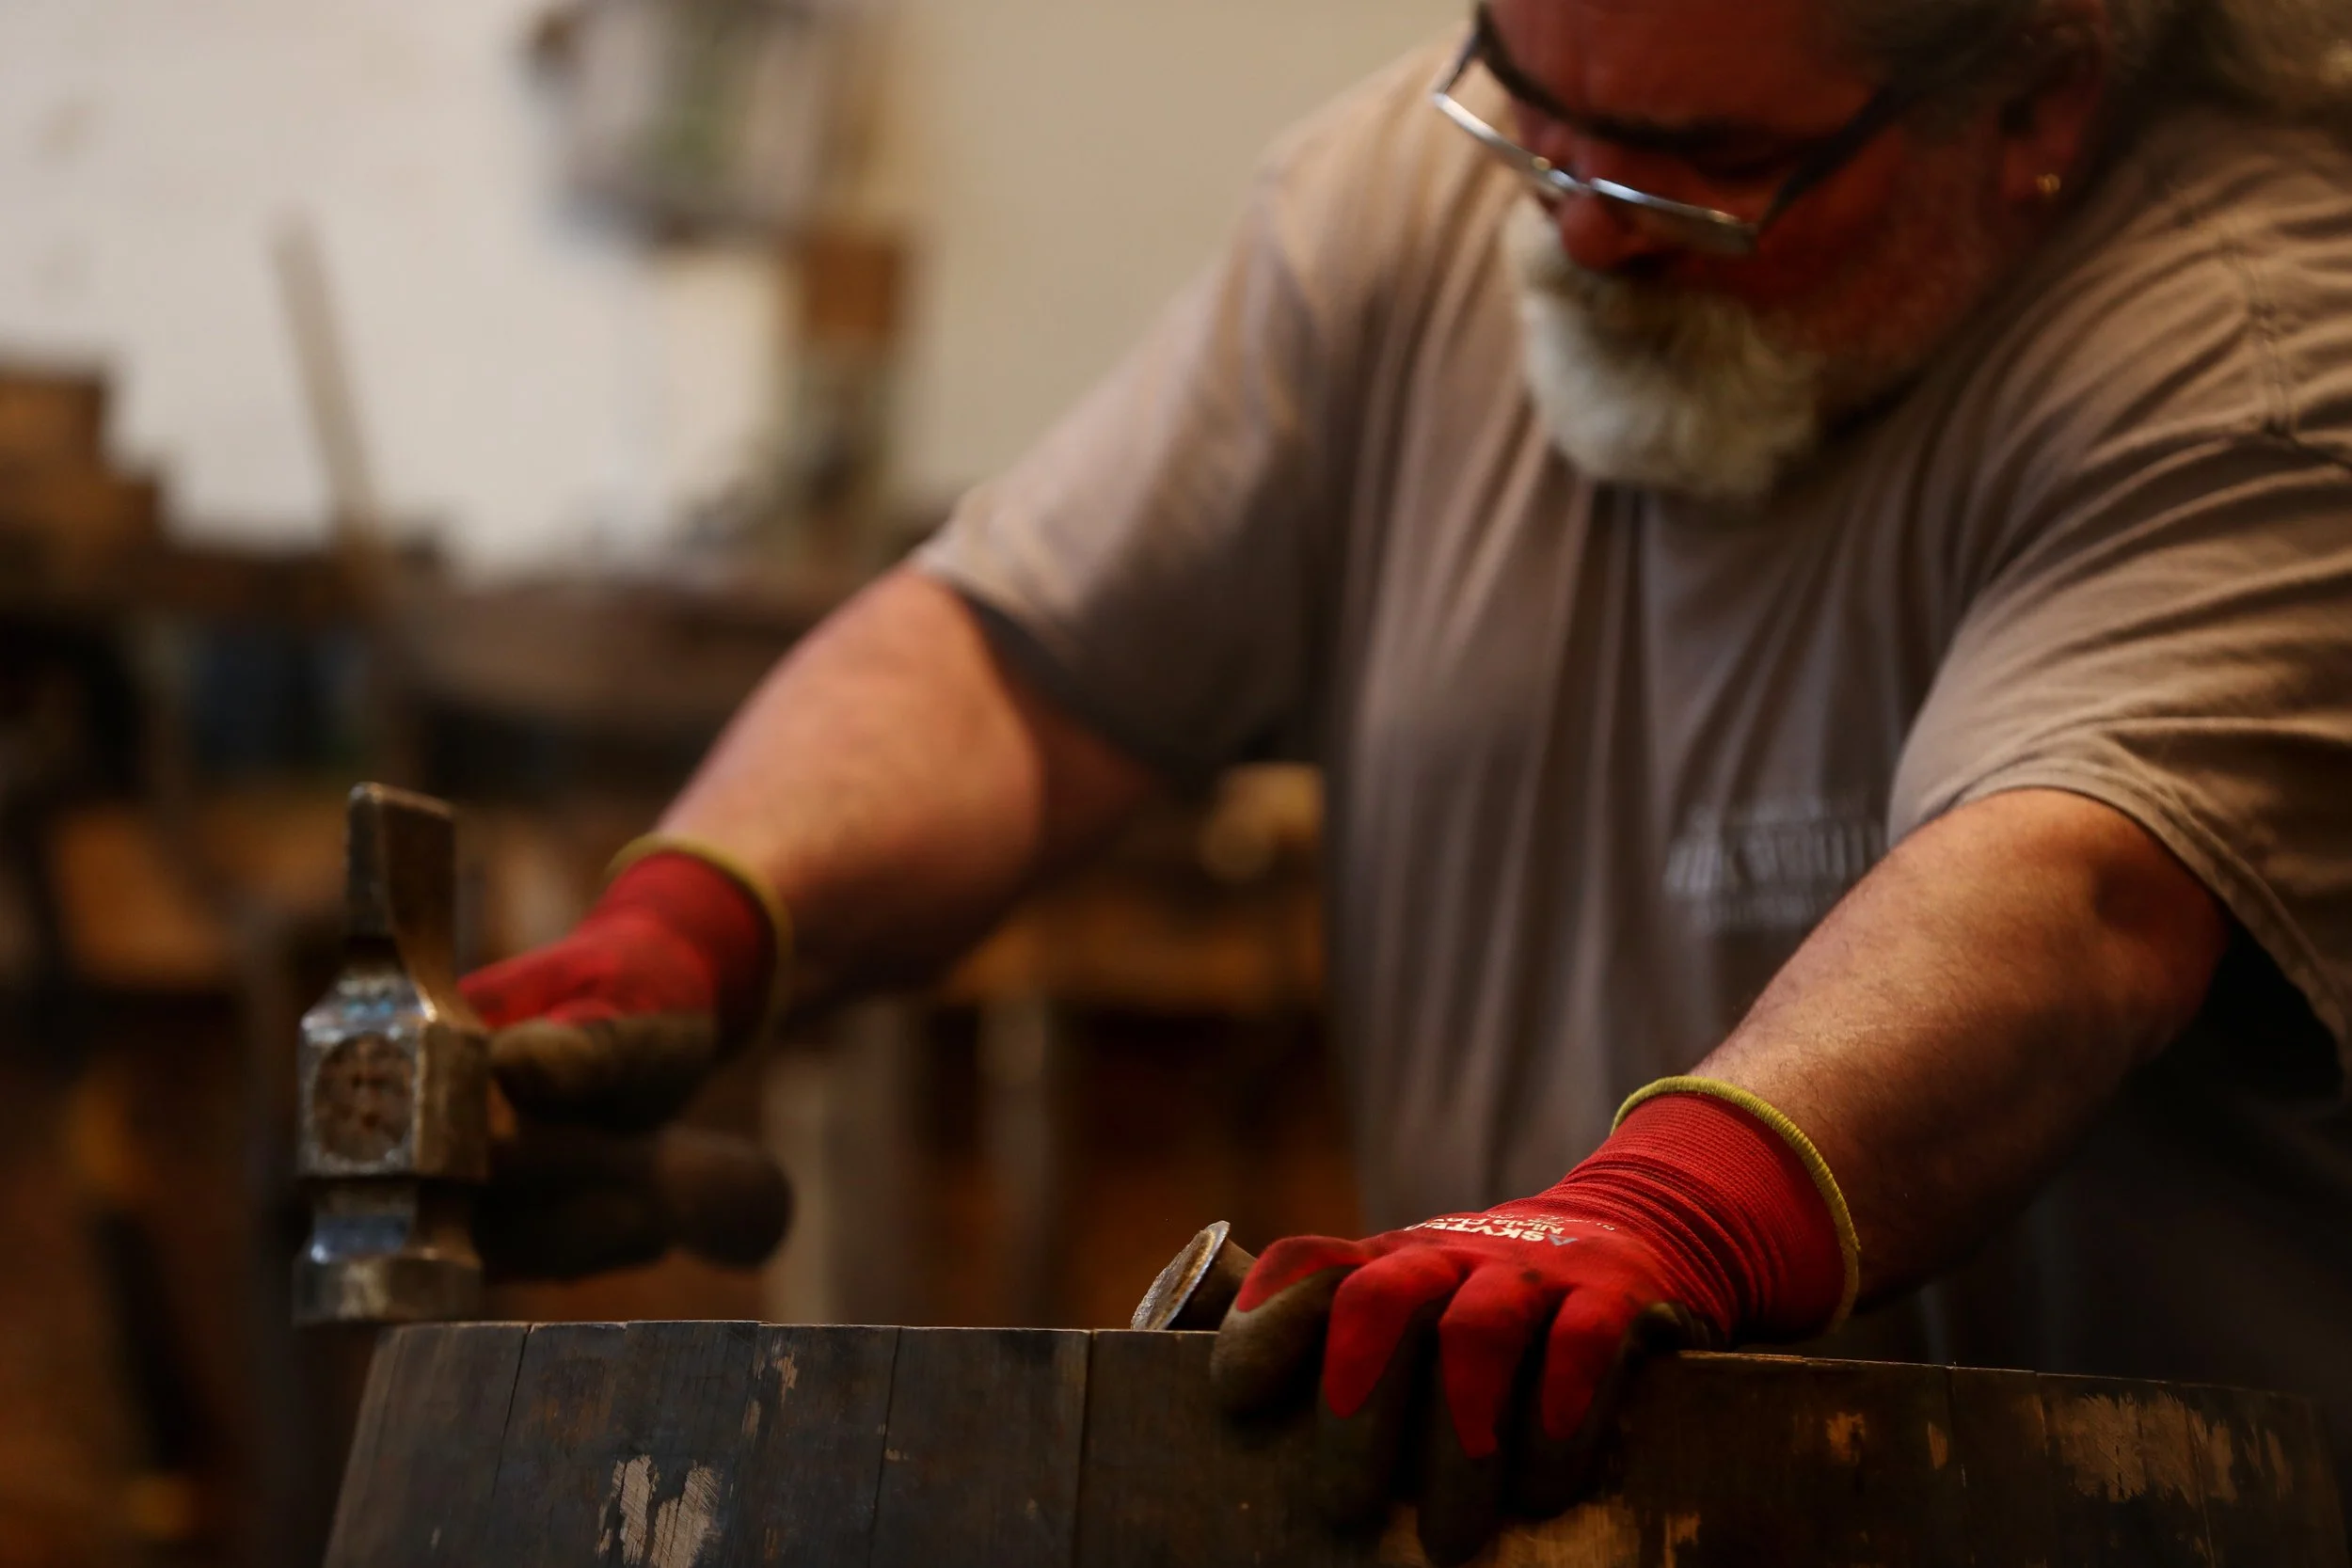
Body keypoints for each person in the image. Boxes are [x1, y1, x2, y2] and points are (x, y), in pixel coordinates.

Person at [459, 0, 2352, 1558]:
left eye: (1699, 172)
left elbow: (2075, 891)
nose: (1579, 221)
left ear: (2037, 104)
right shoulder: (1420, 198)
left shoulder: (2258, 341)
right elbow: (1025, 660)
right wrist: (687, 924)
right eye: (1528, 110)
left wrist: (1662, 1216)